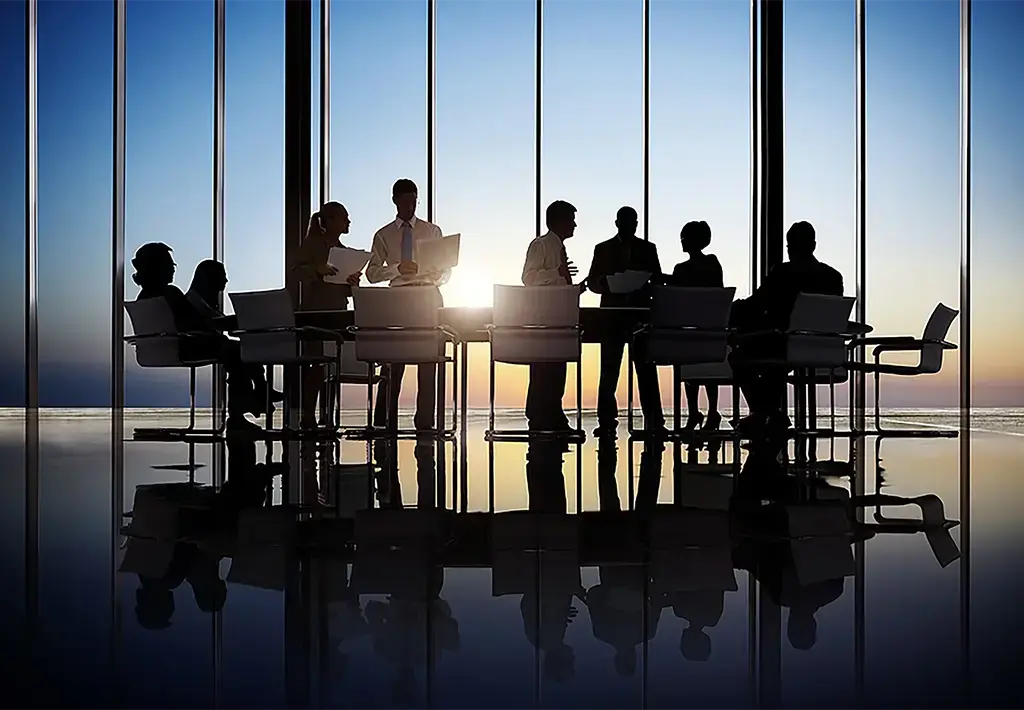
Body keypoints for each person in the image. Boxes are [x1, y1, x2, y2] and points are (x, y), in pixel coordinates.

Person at [132, 243, 270, 433]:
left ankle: (257, 397)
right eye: (171, 266)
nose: (173, 270)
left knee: (234, 350)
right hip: (184, 348)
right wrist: (222, 326)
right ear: (159, 268)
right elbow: (195, 322)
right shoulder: (170, 293)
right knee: (238, 352)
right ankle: (243, 410)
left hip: (164, 349)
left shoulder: (144, 297)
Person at [729, 221, 844, 437]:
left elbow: (757, 304)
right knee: (774, 361)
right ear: (814, 245)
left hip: (784, 344)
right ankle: (769, 414)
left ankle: (764, 412)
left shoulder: (782, 273)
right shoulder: (833, 277)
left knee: (739, 355)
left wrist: (732, 308)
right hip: (824, 349)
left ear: (790, 246)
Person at [366, 179, 449, 432]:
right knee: (392, 362)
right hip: (398, 298)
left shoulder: (432, 231)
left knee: (429, 361)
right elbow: (371, 273)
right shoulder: (383, 235)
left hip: (427, 296)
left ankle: (425, 422)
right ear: (395, 201)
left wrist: (431, 273)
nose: (411, 205)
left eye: (414, 200)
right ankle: (382, 422)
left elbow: (445, 272)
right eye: (405, 201)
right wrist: (397, 269)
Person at [586, 206, 665, 439]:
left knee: (646, 370)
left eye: (635, 222)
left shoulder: (648, 249)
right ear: (618, 223)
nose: (633, 226)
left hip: (639, 315)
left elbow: (657, 279)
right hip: (612, 316)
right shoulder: (602, 249)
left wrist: (641, 285)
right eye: (629, 222)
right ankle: (607, 421)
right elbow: (592, 281)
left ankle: (653, 420)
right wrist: (608, 283)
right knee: (609, 371)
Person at [292, 201, 363, 429]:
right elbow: (295, 271)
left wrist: (352, 283)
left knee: (332, 364)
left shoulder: (343, 251)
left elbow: (344, 289)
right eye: (344, 217)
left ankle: (326, 415)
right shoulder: (312, 244)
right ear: (331, 221)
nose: (348, 222)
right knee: (316, 363)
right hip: (315, 312)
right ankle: (308, 415)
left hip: (337, 312)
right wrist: (316, 269)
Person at [521, 200, 581, 432]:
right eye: (571, 220)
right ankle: (543, 414)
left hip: (559, 317)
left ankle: (551, 413)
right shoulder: (542, 246)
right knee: (546, 369)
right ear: (559, 221)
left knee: (557, 369)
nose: (575, 225)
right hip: (545, 319)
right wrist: (557, 273)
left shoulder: (557, 248)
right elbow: (529, 278)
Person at [668, 220, 725, 432]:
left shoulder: (681, 269)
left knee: (688, 362)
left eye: (684, 237)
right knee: (709, 366)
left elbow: (678, 292)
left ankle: (694, 413)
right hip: (711, 329)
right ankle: (711, 411)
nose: (681, 241)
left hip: (689, 330)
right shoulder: (713, 264)